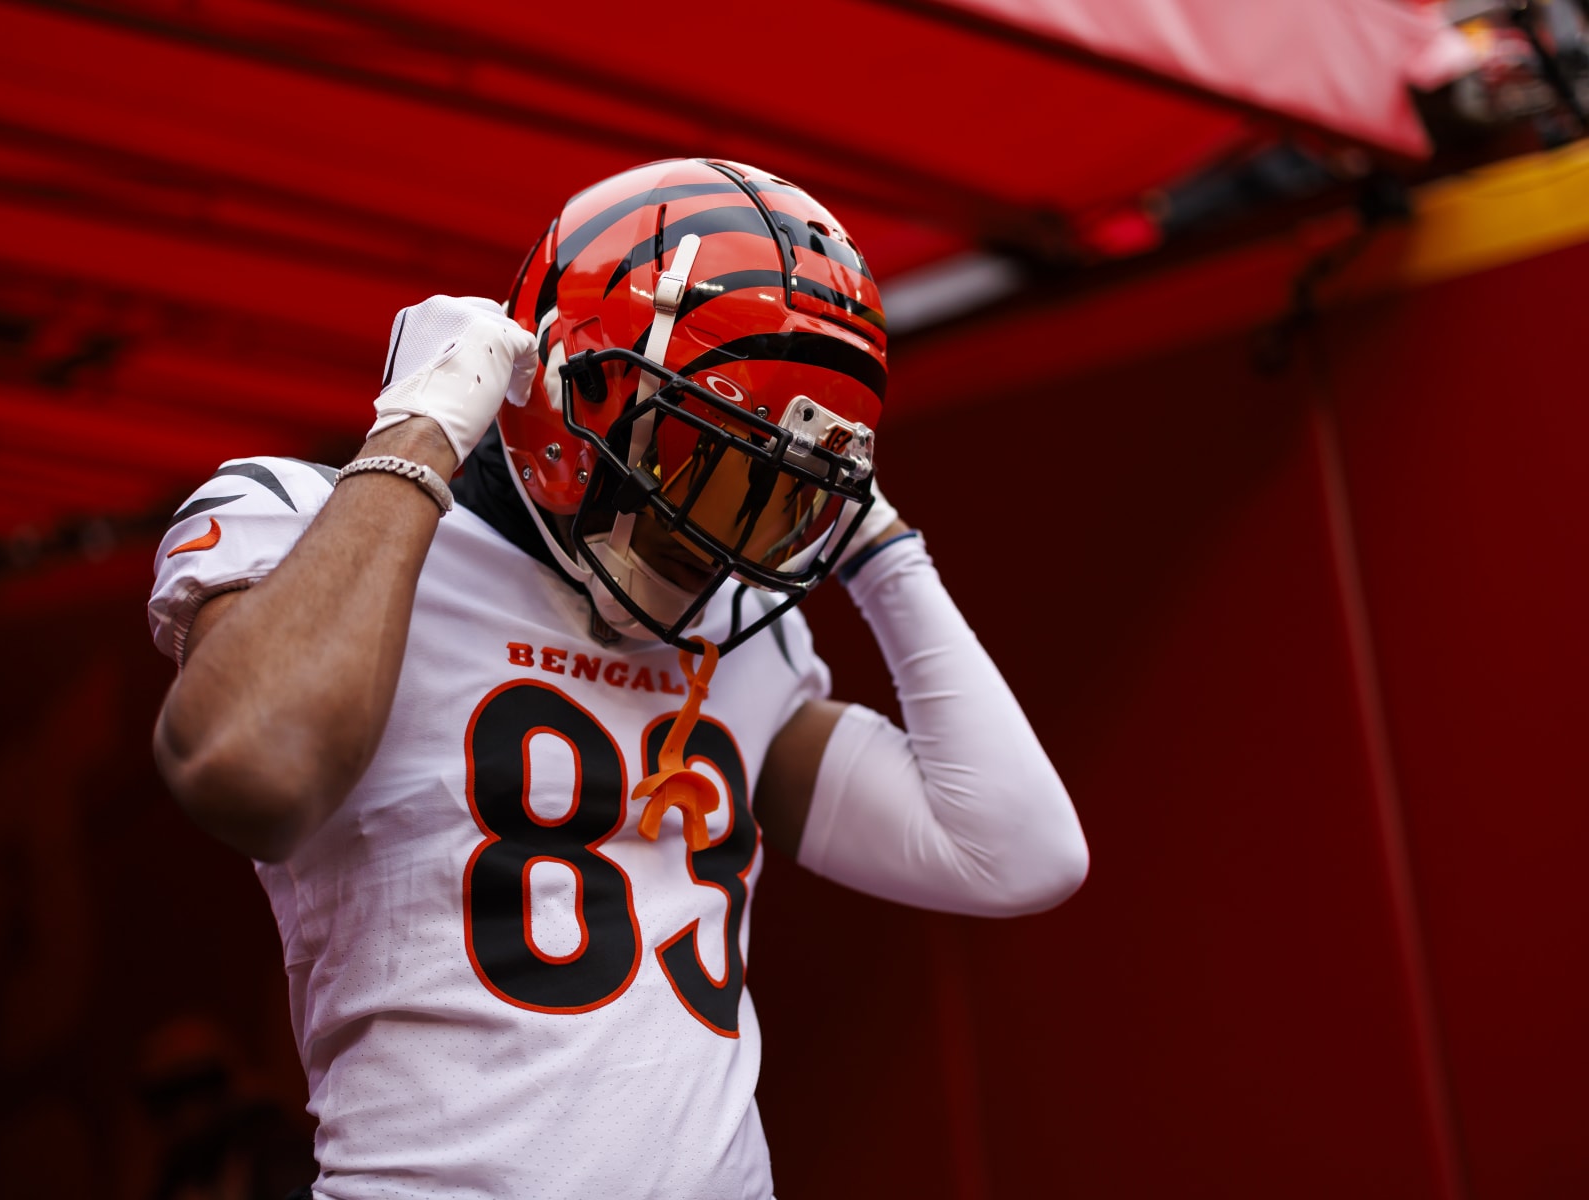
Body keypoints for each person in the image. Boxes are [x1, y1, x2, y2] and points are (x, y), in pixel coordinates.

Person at [147, 158, 1088, 1200]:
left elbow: (1015, 854)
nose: (721, 541)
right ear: (571, 388)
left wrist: (884, 552)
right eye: (703, 460)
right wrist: (414, 437)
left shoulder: (744, 640)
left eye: (770, 497)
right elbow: (252, 773)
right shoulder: (322, 523)